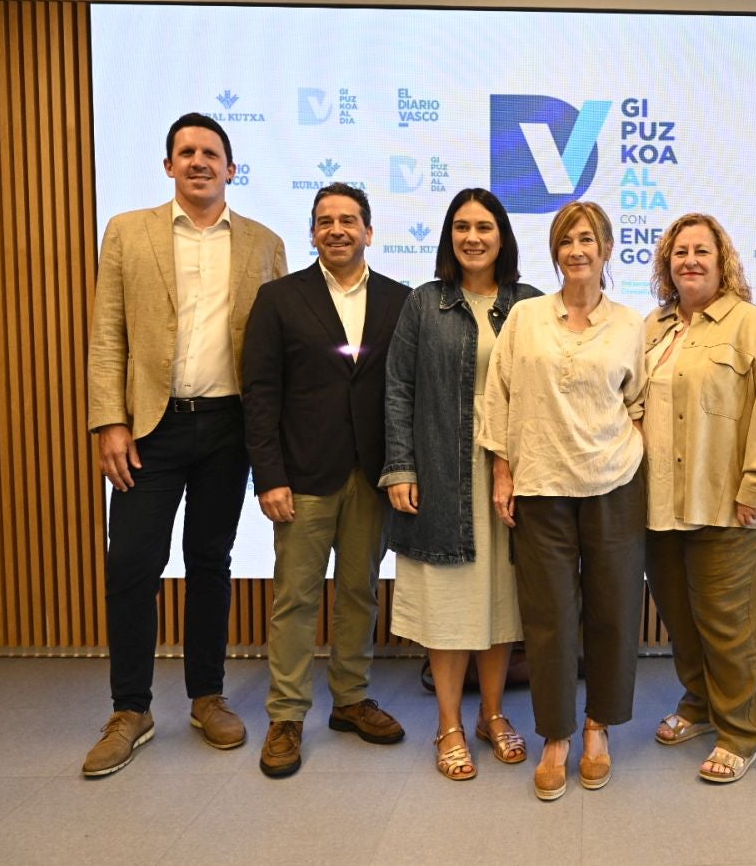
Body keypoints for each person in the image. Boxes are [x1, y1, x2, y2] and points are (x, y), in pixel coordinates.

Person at [84, 113, 287, 777]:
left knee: (210, 561)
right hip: (149, 427)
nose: (199, 161)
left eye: (211, 153)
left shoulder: (264, 243)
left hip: (228, 427)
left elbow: (274, 350)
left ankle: (207, 696)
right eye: (187, 152)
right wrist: (109, 421)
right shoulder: (127, 232)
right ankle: (130, 710)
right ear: (169, 165)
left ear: (231, 168)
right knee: (131, 564)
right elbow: (108, 334)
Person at [480, 201, 646, 801]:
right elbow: (498, 394)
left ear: (606, 249)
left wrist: (626, 451)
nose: (577, 250)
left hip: (613, 484)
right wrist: (503, 470)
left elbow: (639, 401)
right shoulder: (525, 317)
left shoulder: (631, 324)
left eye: (587, 239)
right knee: (548, 617)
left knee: (613, 609)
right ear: (555, 252)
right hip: (541, 485)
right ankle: (556, 735)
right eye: (566, 241)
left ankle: (598, 726)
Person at [243, 183, 410, 778]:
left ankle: (351, 699)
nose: (336, 229)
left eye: (348, 220)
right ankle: (286, 715)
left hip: (372, 474)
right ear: (312, 233)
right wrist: (269, 476)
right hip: (302, 476)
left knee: (361, 591)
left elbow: (405, 391)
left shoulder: (399, 300)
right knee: (296, 597)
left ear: (369, 231)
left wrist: (403, 467)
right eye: (324, 221)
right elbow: (260, 394)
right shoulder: (279, 298)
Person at [381, 188, 541, 781]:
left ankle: (492, 715)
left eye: (484, 227)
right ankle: (449, 723)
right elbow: (398, 388)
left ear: (503, 236)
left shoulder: (529, 304)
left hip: (513, 473)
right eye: (461, 227)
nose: (473, 237)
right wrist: (401, 467)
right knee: (449, 603)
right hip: (441, 471)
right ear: (449, 236)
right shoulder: (424, 303)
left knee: (500, 602)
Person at [642, 213, 756, 783]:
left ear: (722, 259)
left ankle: (738, 731)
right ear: (667, 264)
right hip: (658, 503)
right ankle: (700, 704)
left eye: (701, 251)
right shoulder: (652, 327)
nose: (690, 261)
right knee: (680, 621)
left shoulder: (752, 326)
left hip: (728, 504)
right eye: (679, 252)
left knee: (726, 625)